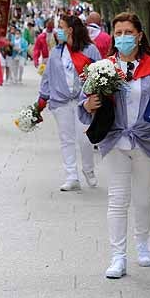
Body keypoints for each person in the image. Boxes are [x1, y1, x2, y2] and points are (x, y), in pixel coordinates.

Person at [79, 12, 150, 279]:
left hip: (147, 142)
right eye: (118, 33)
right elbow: (83, 101)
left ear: (139, 35)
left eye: (128, 32)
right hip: (115, 141)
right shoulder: (103, 68)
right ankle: (118, 257)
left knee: (142, 199)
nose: (123, 38)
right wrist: (87, 105)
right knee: (117, 200)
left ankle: (142, 242)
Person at [36, 15, 101, 191]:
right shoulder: (56, 52)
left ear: (70, 30)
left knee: (85, 138)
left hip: (84, 103)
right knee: (66, 139)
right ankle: (71, 176)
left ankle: (88, 170)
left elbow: (100, 74)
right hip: (61, 103)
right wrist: (41, 101)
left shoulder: (91, 50)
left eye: (61, 26)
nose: (58, 30)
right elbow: (47, 77)